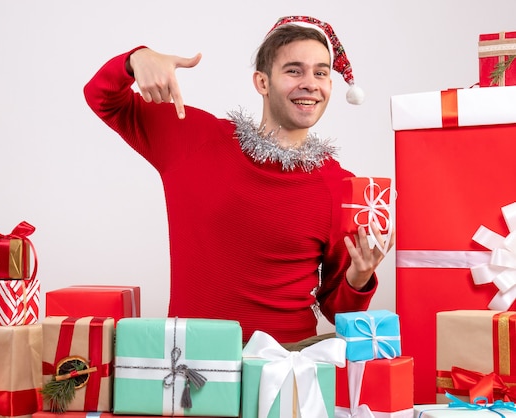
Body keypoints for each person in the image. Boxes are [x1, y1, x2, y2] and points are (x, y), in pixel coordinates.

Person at [83, 15, 394, 344]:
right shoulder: (194, 140)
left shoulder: (339, 186)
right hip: (194, 362)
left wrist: (358, 278)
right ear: (262, 82)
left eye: (321, 72)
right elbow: (102, 98)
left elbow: (336, 310)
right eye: (294, 70)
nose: (310, 83)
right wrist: (135, 60)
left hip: (287, 366)